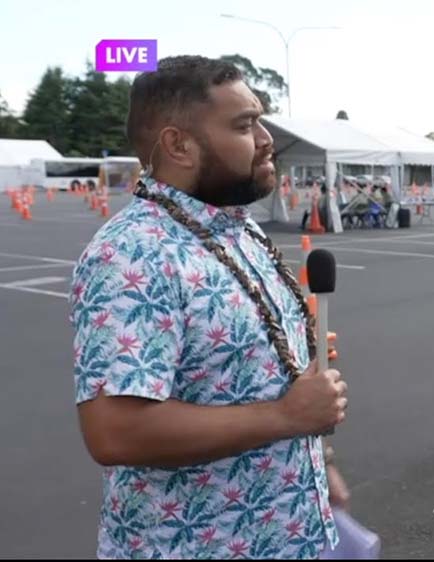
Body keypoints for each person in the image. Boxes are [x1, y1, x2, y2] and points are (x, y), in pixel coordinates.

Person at [70, 56, 350, 559]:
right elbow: (115, 430)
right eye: (244, 125)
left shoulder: (238, 228)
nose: (266, 139)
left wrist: (317, 457)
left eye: (260, 120)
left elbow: (271, 386)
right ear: (179, 144)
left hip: (291, 535)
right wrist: (286, 416)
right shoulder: (134, 253)